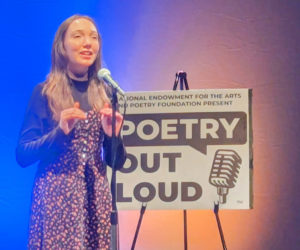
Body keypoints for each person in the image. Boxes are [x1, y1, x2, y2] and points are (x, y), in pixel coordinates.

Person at [16, 14, 126, 249]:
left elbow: (117, 163)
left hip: (95, 196)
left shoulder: (106, 93)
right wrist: (59, 132)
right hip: (57, 198)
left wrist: (113, 136)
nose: (88, 43)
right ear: (62, 46)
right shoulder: (45, 92)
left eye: (93, 37)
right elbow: (23, 154)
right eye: (78, 36)